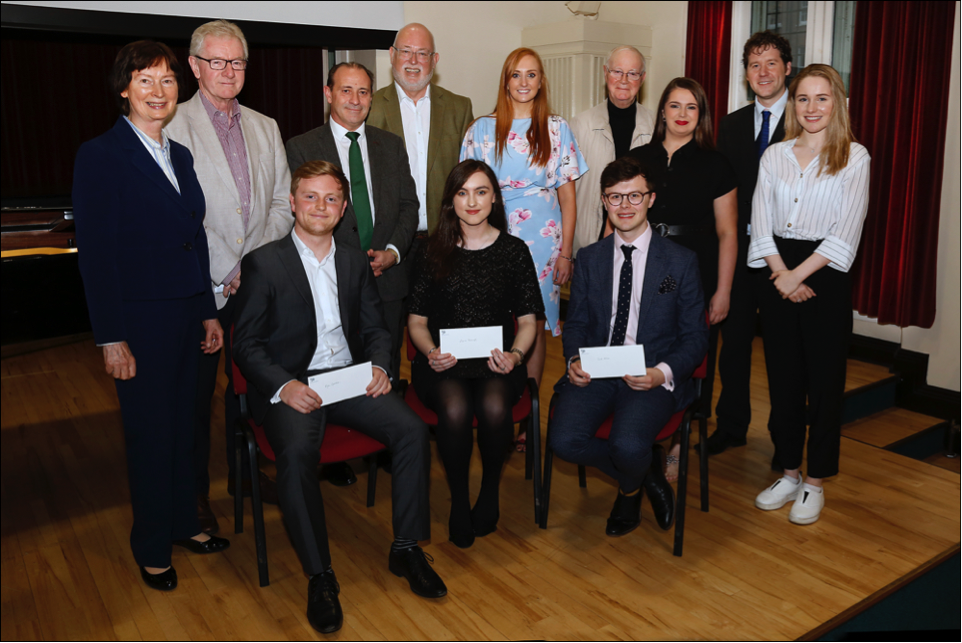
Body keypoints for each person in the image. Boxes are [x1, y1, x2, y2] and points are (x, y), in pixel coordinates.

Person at [232, 160, 447, 634]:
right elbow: (245, 344)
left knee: (411, 431)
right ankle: (320, 575)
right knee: (296, 451)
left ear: (343, 206)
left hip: (347, 379)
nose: (320, 207)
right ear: (292, 202)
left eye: (331, 198)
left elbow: (374, 326)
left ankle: (407, 548)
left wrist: (378, 366)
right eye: (310, 196)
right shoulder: (264, 263)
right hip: (294, 383)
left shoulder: (353, 260)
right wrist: (284, 386)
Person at [72, 40, 230, 593]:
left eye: (166, 80)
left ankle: (186, 523)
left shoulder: (180, 155)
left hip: (190, 315)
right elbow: (95, 255)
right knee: (150, 434)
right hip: (140, 324)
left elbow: (196, 241)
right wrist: (111, 338)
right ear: (124, 89)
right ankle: (152, 546)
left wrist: (209, 312)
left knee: (188, 426)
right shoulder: (100, 155)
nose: (158, 91)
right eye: (145, 80)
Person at [165, 19, 292, 533]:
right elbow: (177, 214)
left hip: (256, 284)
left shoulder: (265, 125)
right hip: (201, 286)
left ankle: (247, 473)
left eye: (236, 61)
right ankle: (193, 494)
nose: (228, 71)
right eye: (216, 61)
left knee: (256, 386)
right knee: (194, 398)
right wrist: (226, 267)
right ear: (194, 66)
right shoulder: (170, 124)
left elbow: (283, 202)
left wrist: (254, 264)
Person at [549, 156, 708, 536]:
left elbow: (695, 337)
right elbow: (580, 324)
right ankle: (643, 477)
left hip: (649, 373)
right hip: (598, 370)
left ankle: (629, 488)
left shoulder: (680, 263)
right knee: (564, 441)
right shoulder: (589, 259)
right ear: (603, 202)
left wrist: (660, 374)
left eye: (634, 196)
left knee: (628, 443)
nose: (625, 206)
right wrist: (574, 359)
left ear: (650, 199)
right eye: (615, 198)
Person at [286, 62, 419, 487]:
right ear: (329, 93)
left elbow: (408, 207)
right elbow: (309, 216)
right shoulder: (302, 146)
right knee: (338, 357)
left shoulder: (390, 144)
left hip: (389, 277)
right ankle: (333, 453)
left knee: (386, 364)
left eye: (363, 92)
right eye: (346, 91)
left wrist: (394, 253)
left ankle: (386, 447)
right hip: (332, 281)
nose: (355, 100)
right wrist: (351, 263)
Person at [749, 64, 870, 525]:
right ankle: (789, 471)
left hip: (825, 276)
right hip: (777, 270)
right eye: (803, 98)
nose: (812, 107)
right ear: (792, 104)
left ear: (837, 102)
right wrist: (781, 274)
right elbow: (759, 220)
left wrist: (797, 276)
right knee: (782, 381)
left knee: (822, 384)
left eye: (822, 98)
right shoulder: (774, 156)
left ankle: (815, 480)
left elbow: (845, 234)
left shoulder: (855, 157)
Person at [407, 160, 544, 548]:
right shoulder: (433, 250)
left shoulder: (514, 251)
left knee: (496, 408)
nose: (472, 201)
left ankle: (488, 491)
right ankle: (458, 500)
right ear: (451, 200)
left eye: (481, 191)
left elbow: (530, 321)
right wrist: (431, 352)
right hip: (442, 364)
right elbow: (416, 322)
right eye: (463, 192)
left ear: (494, 198)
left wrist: (516, 356)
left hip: (497, 361)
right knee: (454, 408)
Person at [460, 47, 588, 453]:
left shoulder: (556, 129)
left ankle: (528, 420)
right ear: (505, 80)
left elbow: (569, 199)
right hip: (490, 236)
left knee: (538, 323)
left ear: (541, 82)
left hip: (544, 239)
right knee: (496, 320)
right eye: (516, 75)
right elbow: (464, 194)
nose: (524, 83)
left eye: (532, 75)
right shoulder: (481, 129)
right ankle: (496, 408)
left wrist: (566, 252)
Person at [627, 78, 737, 480]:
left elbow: (727, 232)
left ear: (701, 116)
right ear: (662, 111)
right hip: (645, 263)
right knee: (644, 341)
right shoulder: (638, 158)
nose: (682, 115)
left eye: (691, 108)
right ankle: (641, 426)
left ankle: (676, 440)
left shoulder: (716, 164)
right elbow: (618, 215)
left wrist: (723, 290)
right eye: (675, 106)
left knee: (688, 350)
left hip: (696, 268)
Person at [702, 31, 793, 461]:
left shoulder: (806, 118)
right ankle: (732, 426)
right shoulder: (733, 123)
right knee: (733, 346)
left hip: (786, 257)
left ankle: (784, 440)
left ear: (787, 68)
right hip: (738, 254)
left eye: (771, 63)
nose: (763, 72)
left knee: (782, 352)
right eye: (754, 65)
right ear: (746, 74)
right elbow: (724, 191)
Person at [367, 22, 474, 263]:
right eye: (405, 51)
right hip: (388, 245)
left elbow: (471, 176)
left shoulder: (459, 107)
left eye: (422, 53)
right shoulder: (371, 108)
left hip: (447, 241)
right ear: (392, 55)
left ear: (434, 60)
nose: (413, 60)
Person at [570, 45, 655, 253]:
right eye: (617, 71)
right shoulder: (579, 125)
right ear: (605, 72)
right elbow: (566, 191)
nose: (624, 80)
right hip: (590, 240)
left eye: (632, 73)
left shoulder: (656, 126)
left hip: (641, 242)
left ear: (642, 78)